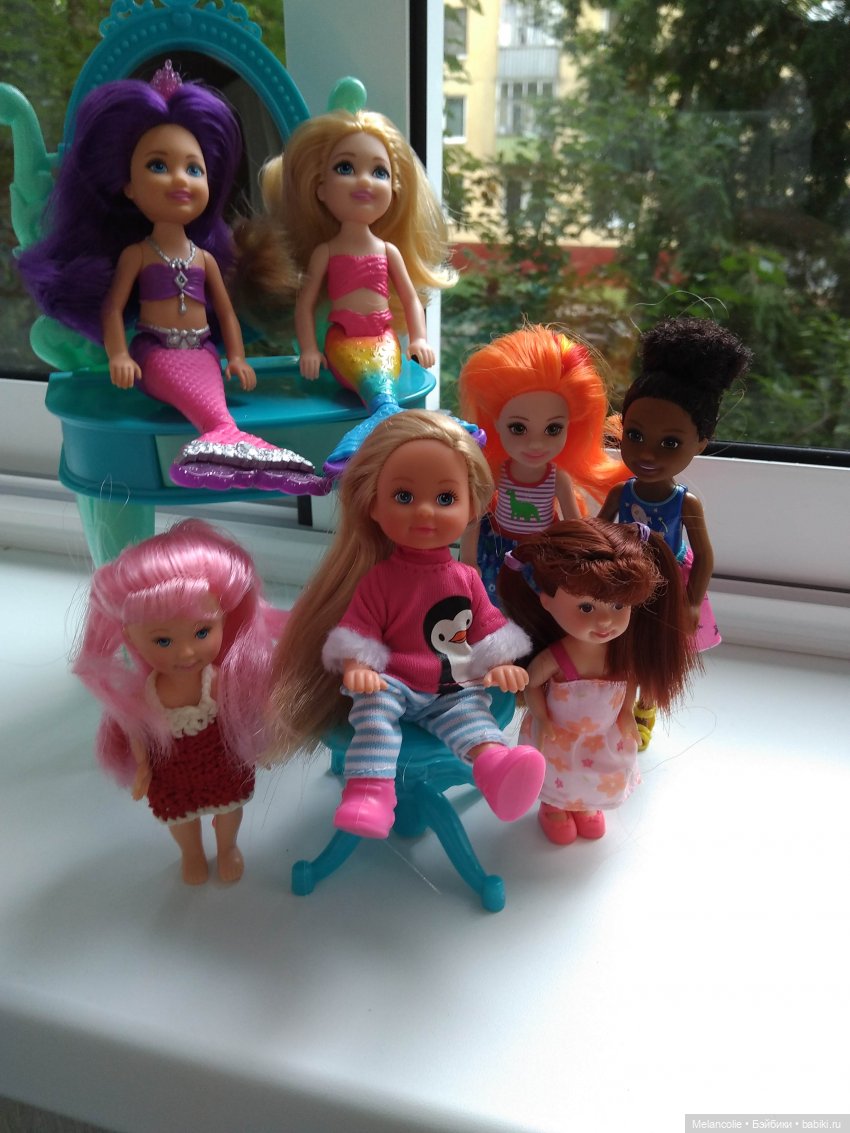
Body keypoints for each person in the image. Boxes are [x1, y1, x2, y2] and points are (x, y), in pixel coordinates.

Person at [18, 61, 312, 488]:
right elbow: (114, 309)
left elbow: (226, 313)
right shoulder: (138, 254)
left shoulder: (205, 258)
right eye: (158, 166)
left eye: (194, 169)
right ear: (128, 185)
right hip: (155, 353)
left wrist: (236, 357)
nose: (180, 179)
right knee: (206, 409)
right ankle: (224, 446)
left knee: (216, 410)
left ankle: (229, 444)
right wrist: (119, 355)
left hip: (203, 351)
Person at [268, 409, 545, 840]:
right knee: (373, 713)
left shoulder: (465, 578)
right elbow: (360, 629)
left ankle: (496, 769)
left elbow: (487, 626)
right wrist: (357, 666)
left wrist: (500, 663)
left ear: (472, 506)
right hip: (394, 682)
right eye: (403, 496)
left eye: (446, 498)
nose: (425, 512)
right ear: (373, 506)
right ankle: (369, 792)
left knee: (473, 717)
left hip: (452, 685)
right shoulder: (380, 580)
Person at [236, 93, 457, 473]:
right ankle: (390, 423)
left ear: (395, 189)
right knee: (374, 385)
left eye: (379, 172)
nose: (364, 181)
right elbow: (306, 304)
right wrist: (309, 349)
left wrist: (419, 339)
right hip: (343, 341)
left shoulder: (388, 251)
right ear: (320, 188)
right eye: (345, 168)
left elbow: (409, 297)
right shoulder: (326, 252)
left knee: (382, 384)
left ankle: (384, 421)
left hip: (383, 337)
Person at [72, 519, 284, 884]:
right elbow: (139, 732)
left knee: (229, 810)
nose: (186, 652)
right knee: (181, 819)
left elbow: (244, 710)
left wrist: (260, 741)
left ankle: (228, 847)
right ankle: (192, 853)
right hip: (172, 773)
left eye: (202, 632)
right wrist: (142, 767)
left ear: (223, 621)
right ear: (130, 638)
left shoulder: (218, 682)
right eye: (163, 641)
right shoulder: (144, 695)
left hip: (221, 765)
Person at [599, 316, 752, 745]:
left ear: (701, 441)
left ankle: (645, 708)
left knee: (656, 654)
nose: (647, 453)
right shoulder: (622, 492)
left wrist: (692, 601)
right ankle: (618, 708)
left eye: (670, 443)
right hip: (625, 579)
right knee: (622, 646)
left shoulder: (685, 503)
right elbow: (598, 530)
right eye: (635, 435)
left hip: (668, 585)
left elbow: (704, 556)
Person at [498, 518, 696, 845]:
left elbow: (629, 682)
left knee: (595, 775)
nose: (605, 621)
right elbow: (532, 683)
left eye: (618, 606)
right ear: (547, 601)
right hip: (559, 736)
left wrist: (626, 713)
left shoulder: (620, 654)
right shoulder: (557, 657)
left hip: (604, 736)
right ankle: (555, 806)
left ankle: (586, 805)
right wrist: (542, 718)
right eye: (586, 607)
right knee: (560, 774)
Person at [458, 324, 627, 602]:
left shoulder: (556, 478)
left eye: (553, 429)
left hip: (543, 552)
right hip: (498, 549)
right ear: (496, 423)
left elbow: (574, 522)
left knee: (538, 606)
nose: (536, 444)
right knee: (497, 604)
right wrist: (467, 559)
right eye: (518, 428)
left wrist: (582, 558)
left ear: (570, 427)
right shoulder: (499, 474)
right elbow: (475, 517)